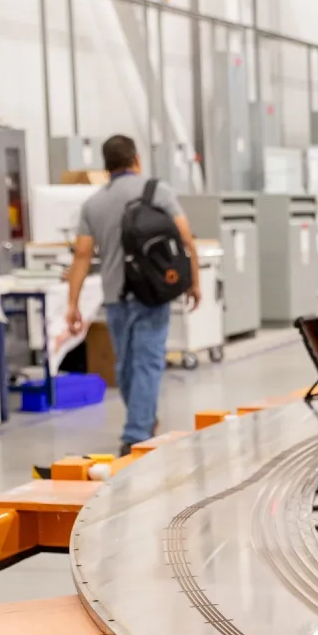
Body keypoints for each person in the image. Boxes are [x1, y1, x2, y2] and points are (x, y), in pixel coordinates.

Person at [65, 136, 202, 456]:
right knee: (147, 362)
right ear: (136, 160)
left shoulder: (93, 204)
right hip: (153, 291)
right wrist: (194, 282)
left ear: (106, 166)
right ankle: (137, 433)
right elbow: (186, 240)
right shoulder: (158, 192)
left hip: (115, 294)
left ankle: (140, 423)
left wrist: (73, 304)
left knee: (126, 364)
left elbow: (82, 256)